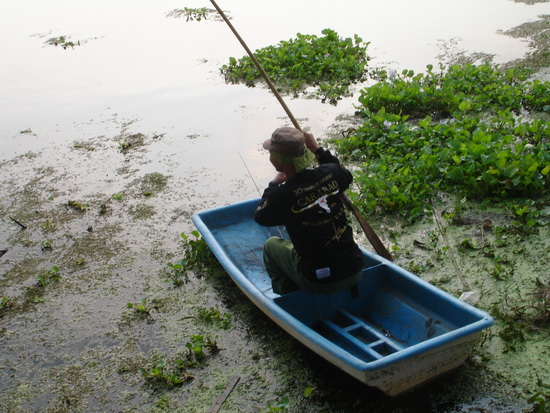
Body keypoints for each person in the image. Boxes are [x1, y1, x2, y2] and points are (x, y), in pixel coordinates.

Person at [254, 127, 364, 295]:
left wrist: (273, 185)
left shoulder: (283, 195)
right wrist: (318, 149)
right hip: (355, 268)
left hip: (319, 282)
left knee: (271, 246)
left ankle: (288, 293)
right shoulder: (331, 173)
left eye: (271, 152)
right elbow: (344, 174)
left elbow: (261, 217)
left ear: (278, 159)